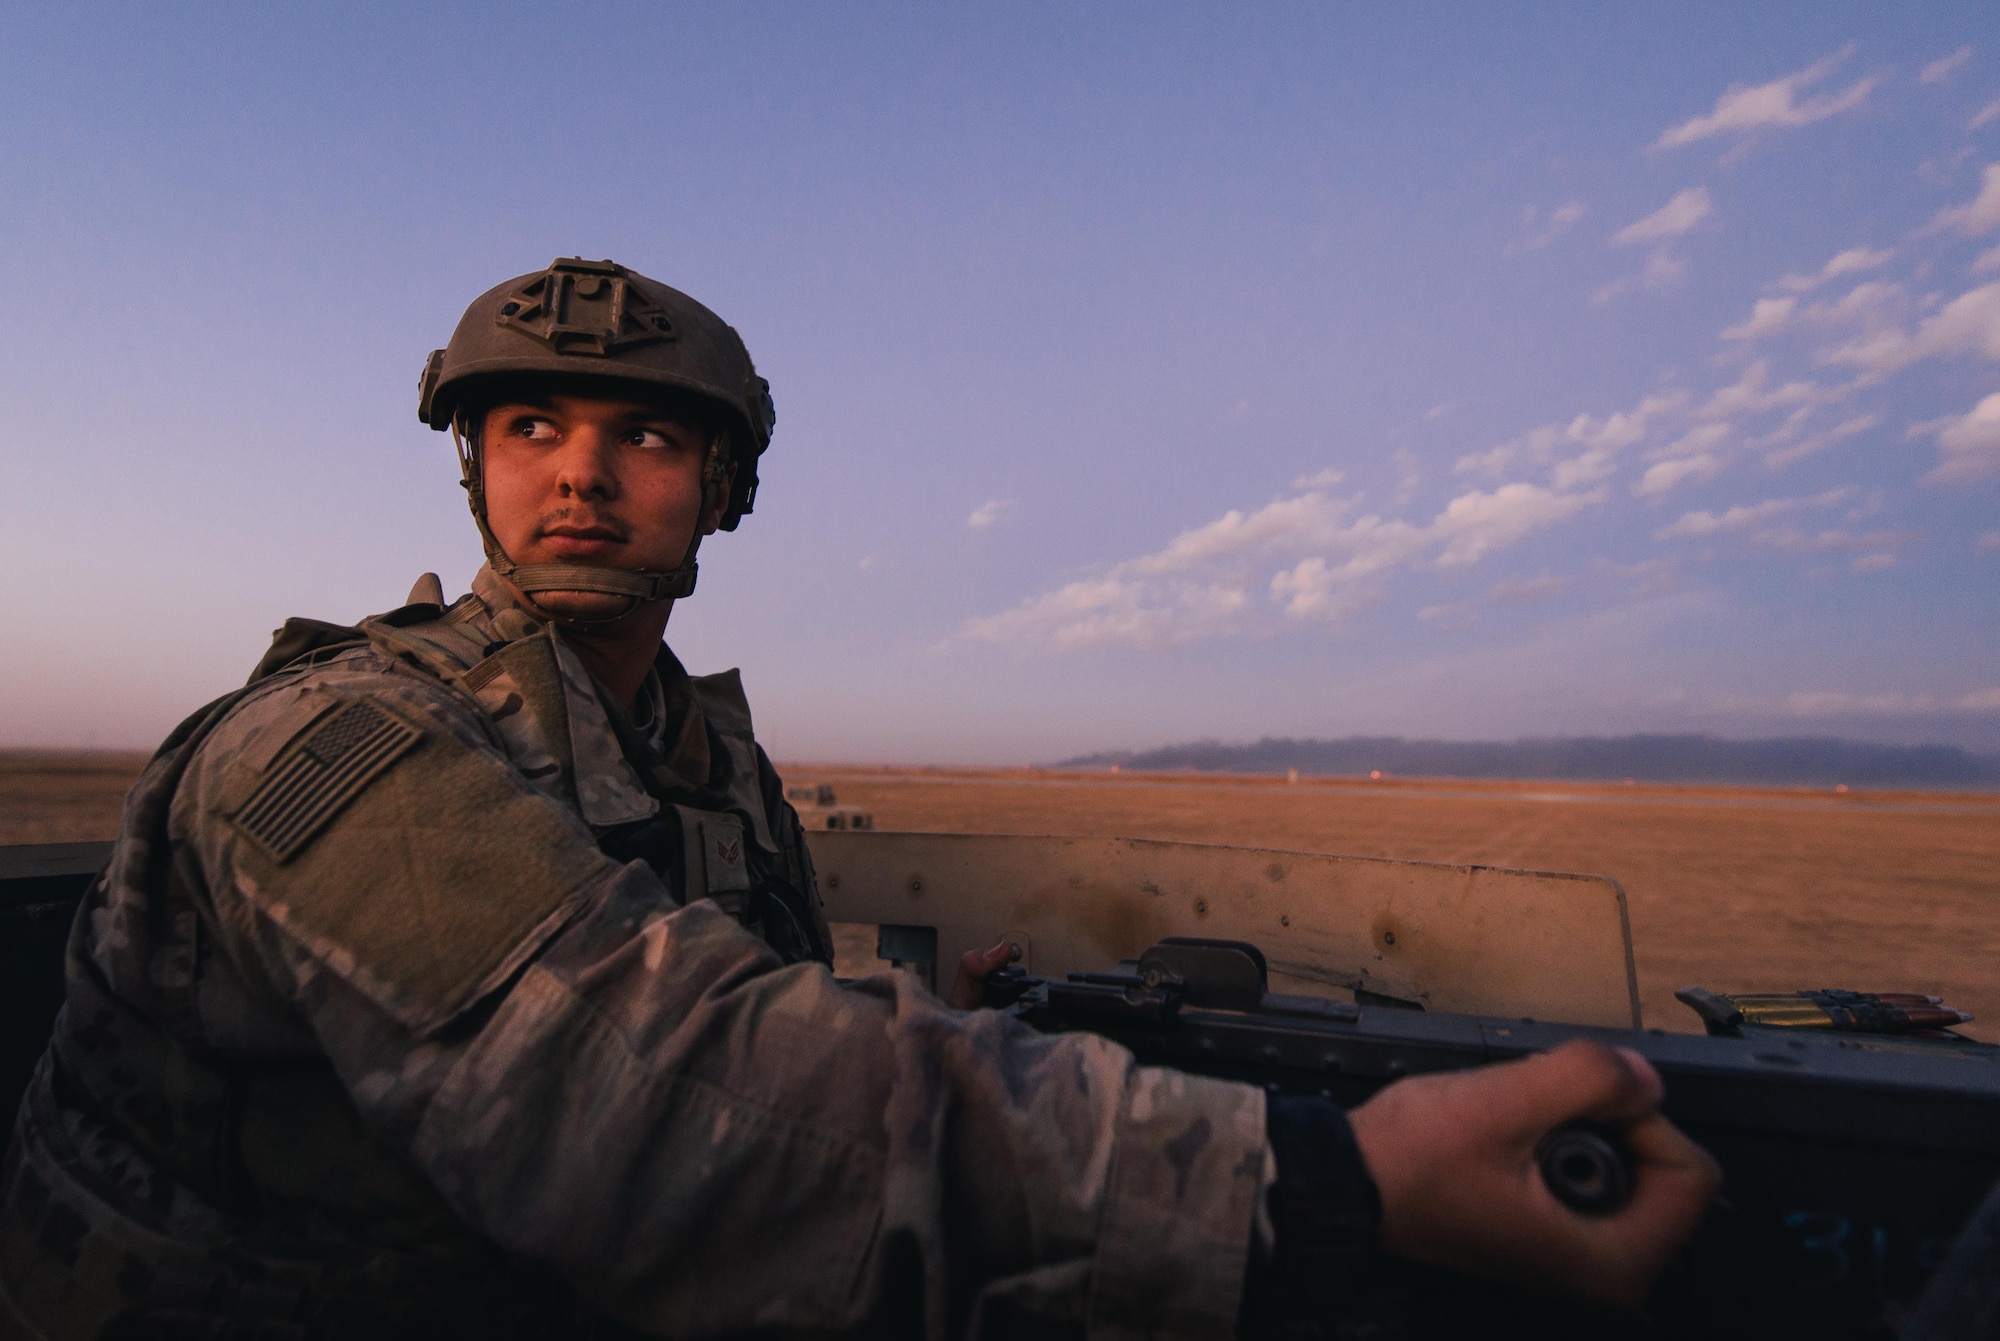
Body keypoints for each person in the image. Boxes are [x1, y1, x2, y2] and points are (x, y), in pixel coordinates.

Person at [0, 257, 1718, 1339]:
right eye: (529, 423)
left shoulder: (703, 752)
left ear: (721, 491)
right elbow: (652, 1093)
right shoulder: (333, 748)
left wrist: (954, 1028)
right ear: (474, 465)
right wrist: (1321, 1185)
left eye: (645, 438)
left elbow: (740, 1000)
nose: (582, 473)